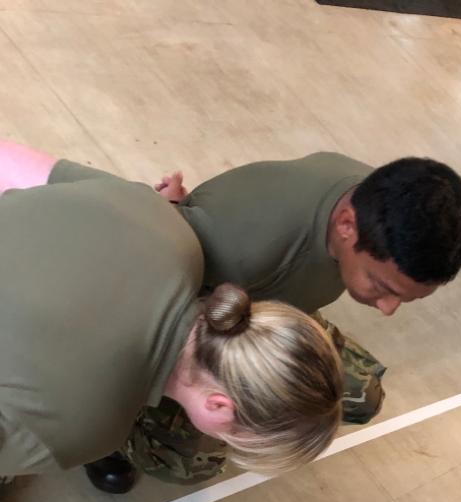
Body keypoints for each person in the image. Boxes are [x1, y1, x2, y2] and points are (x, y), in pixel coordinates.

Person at [86, 151, 461, 491]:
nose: (388, 308)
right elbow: (121, 300)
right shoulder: (235, 247)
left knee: (358, 395)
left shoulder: (378, 199)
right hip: (202, 336)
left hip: (265, 316)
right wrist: (168, 219)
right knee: (189, 463)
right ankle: (115, 438)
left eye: (405, 298)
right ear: (345, 225)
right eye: (381, 285)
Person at [0, 158, 343, 480]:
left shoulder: (176, 234)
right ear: (218, 407)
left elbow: (35, 169)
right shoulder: (85, 428)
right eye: (233, 441)